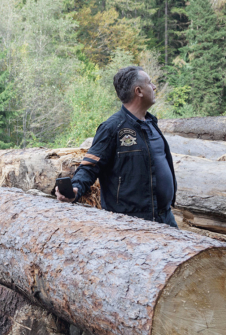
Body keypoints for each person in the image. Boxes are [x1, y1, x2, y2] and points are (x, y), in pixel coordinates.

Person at [55, 65, 178, 227]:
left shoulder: (151, 123)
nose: (154, 87)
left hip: (165, 217)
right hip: (131, 223)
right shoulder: (112, 128)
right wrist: (76, 189)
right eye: (150, 83)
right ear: (139, 91)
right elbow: (90, 166)